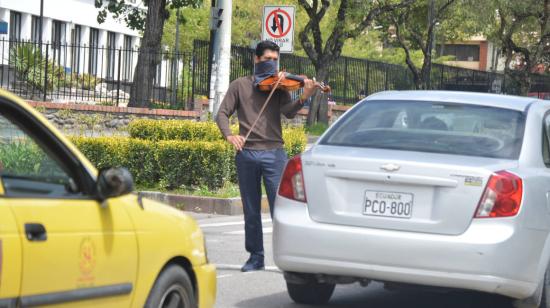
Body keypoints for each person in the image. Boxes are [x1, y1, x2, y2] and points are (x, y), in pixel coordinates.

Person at [215, 41, 317, 272]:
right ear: (256, 60)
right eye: (267, 59)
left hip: (274, 154)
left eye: (274, 59)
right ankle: (255, 257)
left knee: (279, 210)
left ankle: (287, 258)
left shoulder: (279, 87)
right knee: (251, 210)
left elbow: (289, 114)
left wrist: (305, 95)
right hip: (247, 154)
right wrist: (229, 135)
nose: (271, 63)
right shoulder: (239, 86)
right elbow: (222, 113)